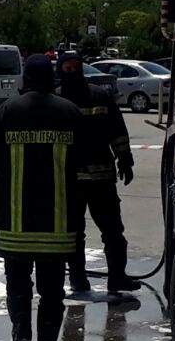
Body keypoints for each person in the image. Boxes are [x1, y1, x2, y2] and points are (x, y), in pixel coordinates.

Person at [0, 54, 84, 341]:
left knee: (17, 284)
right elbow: (86, 155)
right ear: (52, 79)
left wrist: (8, 172)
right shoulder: (69, 112)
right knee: (52, 290)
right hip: (57, 221)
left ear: (25, 78)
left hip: (15, 221)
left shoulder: (7, 110)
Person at [55, 51, 138, 299]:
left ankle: (117, 278)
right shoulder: (56, 100)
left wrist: (125, 159)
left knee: (112, 231)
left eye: (75, 67)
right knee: (74, 234)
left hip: (101, 180)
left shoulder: (100, 96)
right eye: (67, 68)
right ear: (61, 70)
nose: (71, 72)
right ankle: (78, 281)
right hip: (70, 181)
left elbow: (117, 130)